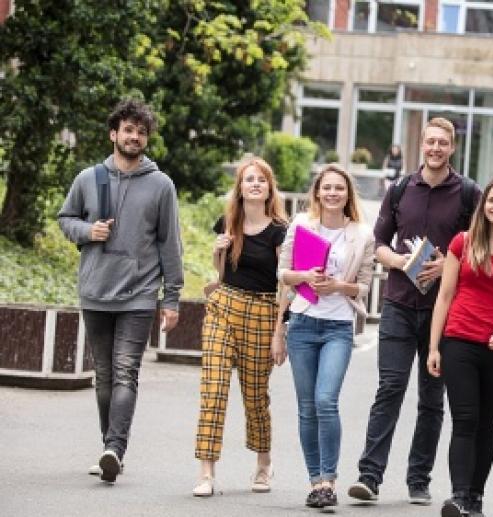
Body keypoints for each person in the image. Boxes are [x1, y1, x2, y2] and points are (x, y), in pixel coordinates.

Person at [348, 117, 482, 505]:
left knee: (431, 397)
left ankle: (418, 479)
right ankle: (369, 476)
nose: (436, 148)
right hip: (399, 305)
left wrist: (447, 266)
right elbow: (379, 242)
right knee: (389, 388)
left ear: (452, 148)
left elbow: (479, 247)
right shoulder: (401, 188)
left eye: (443, 143)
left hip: (445, 311)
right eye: (430, 142)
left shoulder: (467, 193)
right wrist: (399, 261)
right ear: (421, 144)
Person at [58, 99, 184, 484]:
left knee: (126, 372)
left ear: (147, 139)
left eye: (141, 132)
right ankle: (109, 446)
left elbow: (170, 244)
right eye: (128, 130)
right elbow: (66, 218)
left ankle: (115, 448)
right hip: (96, 289)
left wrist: (173, 297)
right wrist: (87, 232)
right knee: (103, 375)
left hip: (139, 294)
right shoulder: (88, 178)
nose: (134, 137)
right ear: (114, 134)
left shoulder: (161, 185)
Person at [427, 177, 493, 517]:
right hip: (459, 340)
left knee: (486, 423)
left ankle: (475, 497)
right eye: (491, 201)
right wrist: (434, 347)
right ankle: (458, 496)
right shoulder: (462, 243)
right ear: (483, 205)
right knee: (465, 419)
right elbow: (444, 296)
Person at [277, 164, 375, 510]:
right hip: (303, 323)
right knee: (306, 408)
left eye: (339, 188)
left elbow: (364, 284)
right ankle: (316, 481)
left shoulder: (362, 233)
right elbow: (283, 273)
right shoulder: (301, 225)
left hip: (337, 326)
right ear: (317, 192)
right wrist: (305, 274)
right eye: (327, 188)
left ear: (348, 193)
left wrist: (338, 286)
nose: (333, 193)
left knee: (325, 401)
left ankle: (330, 479)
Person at [191, 157, 288, 496]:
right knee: (213, 390)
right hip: (223, 307)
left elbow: (285, 285)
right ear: (241, 187)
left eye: (261, 180)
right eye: (249, 179)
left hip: (262, 312)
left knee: (254, 397)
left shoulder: (279, 232)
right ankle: (206, 472)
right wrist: (218, 252)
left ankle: (263, 464)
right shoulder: (228, 222)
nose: (255, 184)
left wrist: (280, 331)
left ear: (269, 188)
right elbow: (221, 276)